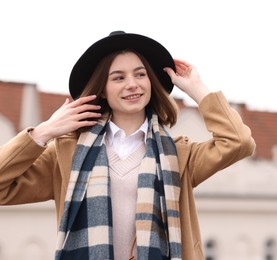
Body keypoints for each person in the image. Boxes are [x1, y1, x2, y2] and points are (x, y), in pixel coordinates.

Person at [0, 31, 256, 260]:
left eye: (140, 74)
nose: (132, 84)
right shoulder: (67, 154)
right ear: (102, 90)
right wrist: (43, 132)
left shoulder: (179, 155)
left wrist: (198, 90)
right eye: (118, 77)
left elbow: (238, 142)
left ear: (150, 82)